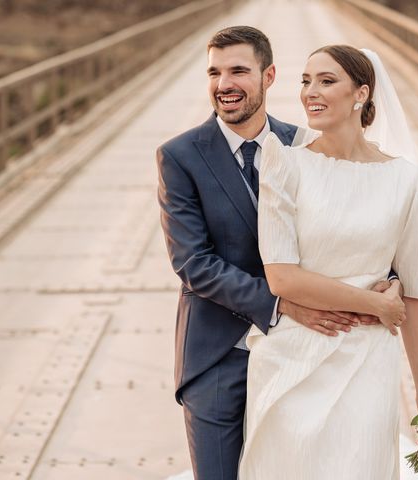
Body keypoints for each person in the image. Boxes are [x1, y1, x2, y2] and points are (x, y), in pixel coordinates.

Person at [156, 28, 404, 480]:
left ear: (269, 76)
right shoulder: (180, 156)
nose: (223, 83)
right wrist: (282, 304)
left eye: (238, 71)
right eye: (214, 72)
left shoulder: (306, 143)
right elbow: (194, 263)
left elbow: (350, 220)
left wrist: (386, 276)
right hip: (218, 351)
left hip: (306, 353)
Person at [237, 44, 418, 480]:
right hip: (290, 360)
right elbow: (281, 277)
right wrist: (374, 304)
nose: (310, 92)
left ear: (361, 94)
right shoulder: (284, 163)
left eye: (326, 81)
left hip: (367, 362)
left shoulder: (411, 182)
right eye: (306, 80)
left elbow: (414, 295)